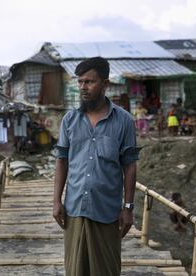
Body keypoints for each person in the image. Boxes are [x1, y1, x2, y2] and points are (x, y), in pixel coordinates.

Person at [53, 57, 139, 276]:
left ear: (105, 84)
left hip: (107, 212)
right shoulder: (69, 120)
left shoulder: (124, 121)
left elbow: (129, 166)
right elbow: (61, 161)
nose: (83, 87)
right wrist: (56, 201)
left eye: (89, 82)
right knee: (75, 270)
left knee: (106, 270)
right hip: (74, 209)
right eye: (80, 82)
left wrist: (128, 208)